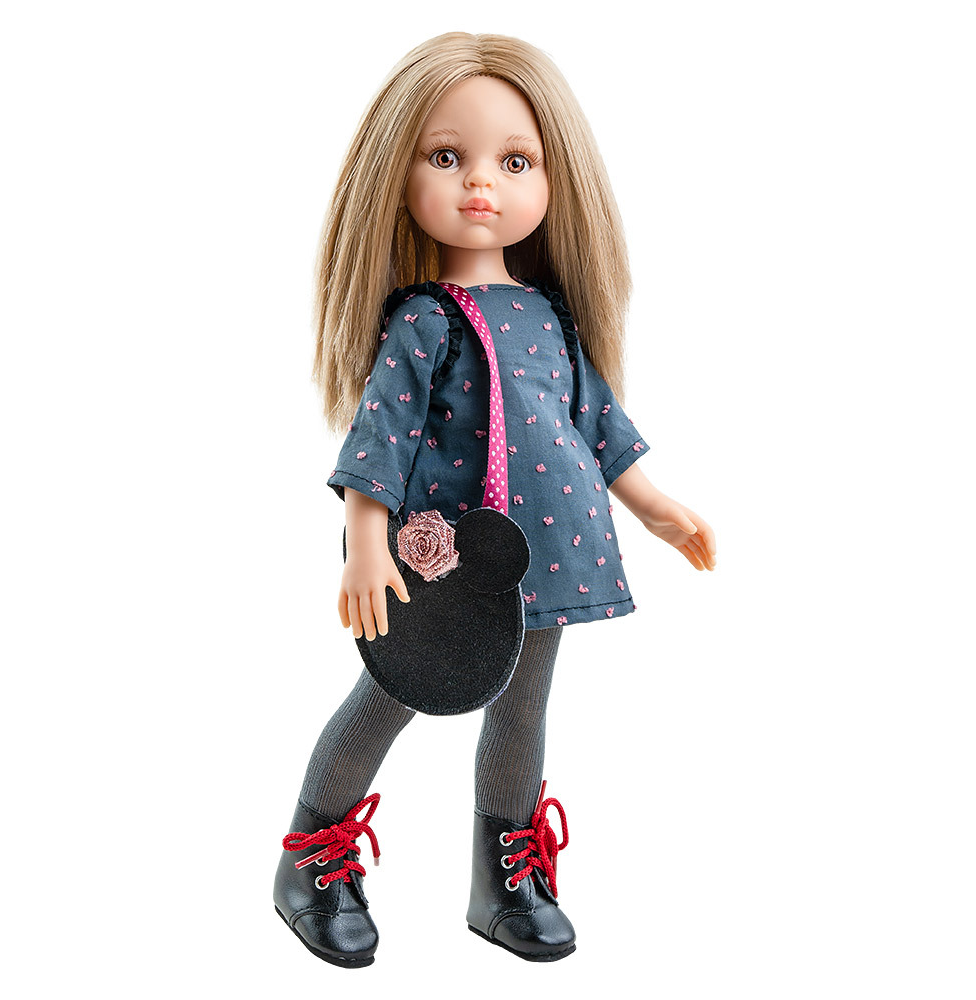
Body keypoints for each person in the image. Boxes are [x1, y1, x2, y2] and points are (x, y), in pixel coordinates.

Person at [273, 32, 717, 969]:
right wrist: (365, 542)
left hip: (544, 553)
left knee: (522, 710)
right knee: (392, 693)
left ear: (556, 180)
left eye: (515, 162)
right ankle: (311, 859)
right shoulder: (422, 319)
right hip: (446, 559)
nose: (481, 182)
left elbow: (595, 422)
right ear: (397, 175)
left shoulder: (550, 315)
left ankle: (506, 877)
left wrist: (654, 505)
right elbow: (380, 441)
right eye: (447, 157)